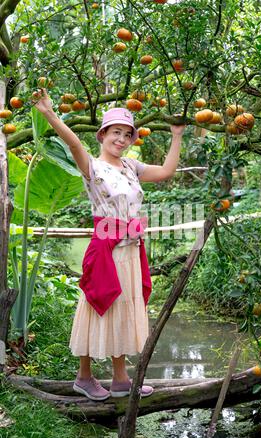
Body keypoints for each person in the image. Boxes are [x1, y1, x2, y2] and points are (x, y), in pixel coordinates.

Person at [34, 89, 185, 400]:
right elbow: (74, 143)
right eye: (116, 132)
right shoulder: (93, 168)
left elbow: (167, 172)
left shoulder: (131, 167)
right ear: (103, 135)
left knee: (125, 307)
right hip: (106, 247)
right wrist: (49, 113)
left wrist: (177, 135)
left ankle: (120, 379)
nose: (122, 139)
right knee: (98, 304)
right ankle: (84, 377)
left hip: (131, 249)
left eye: (127, 134)